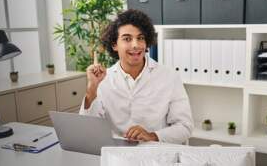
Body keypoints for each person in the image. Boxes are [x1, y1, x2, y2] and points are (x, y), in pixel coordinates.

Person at [79, 9, 193, 144]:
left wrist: (152, 136)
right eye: (127, 39)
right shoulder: (103, 79)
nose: (136, 45)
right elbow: (87, 128)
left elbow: (184, 127)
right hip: (117, 154)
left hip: (155, 154)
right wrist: (92, 88)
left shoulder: (169, 77)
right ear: (115, 44)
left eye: (140, 38)